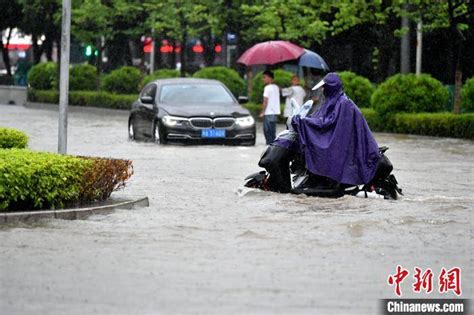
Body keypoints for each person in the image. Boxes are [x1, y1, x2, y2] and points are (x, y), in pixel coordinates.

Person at [292, 72, 380, 186]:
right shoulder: (330, 101)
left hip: (346, 144)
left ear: (330, 87)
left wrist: (304, 122)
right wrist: (304, 119)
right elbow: (317, 116)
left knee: (323, 151)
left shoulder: (343, 103)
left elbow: (328, 122)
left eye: (324, 87)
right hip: (341, 141)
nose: (323, 90)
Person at [259, 70, 280, 145]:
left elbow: (265, 101)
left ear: (270, 78)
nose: (263, 79)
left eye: (264, 77)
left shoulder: (267, 88)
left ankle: (269, 148)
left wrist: (262, 112)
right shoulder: (276, 87)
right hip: (275, 113)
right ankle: (273, 148)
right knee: (272, 133)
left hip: (268, 113)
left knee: (267, 133)